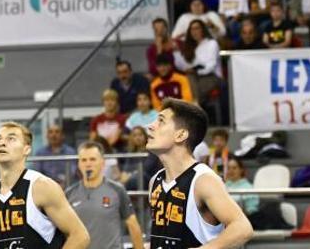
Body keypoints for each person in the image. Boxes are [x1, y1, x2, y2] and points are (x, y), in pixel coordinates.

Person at [146, 99, 253, 248]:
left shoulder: (203, 180)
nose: (150, 126)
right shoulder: (155, 181)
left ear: (181, 135)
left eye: (161, 121)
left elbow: (243, 228)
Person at [0, 122, 90, 249]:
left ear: (27, 149)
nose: (2, 143)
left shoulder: (42, 187)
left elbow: (80, 236)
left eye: (11, 138)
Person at [65, 142, 143, 249]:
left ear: (102, 163)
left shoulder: (117, 190)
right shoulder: (69, 194)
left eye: (92, 159)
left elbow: (133, 225)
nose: (88, 164)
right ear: (78, 164)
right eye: (84, 160)